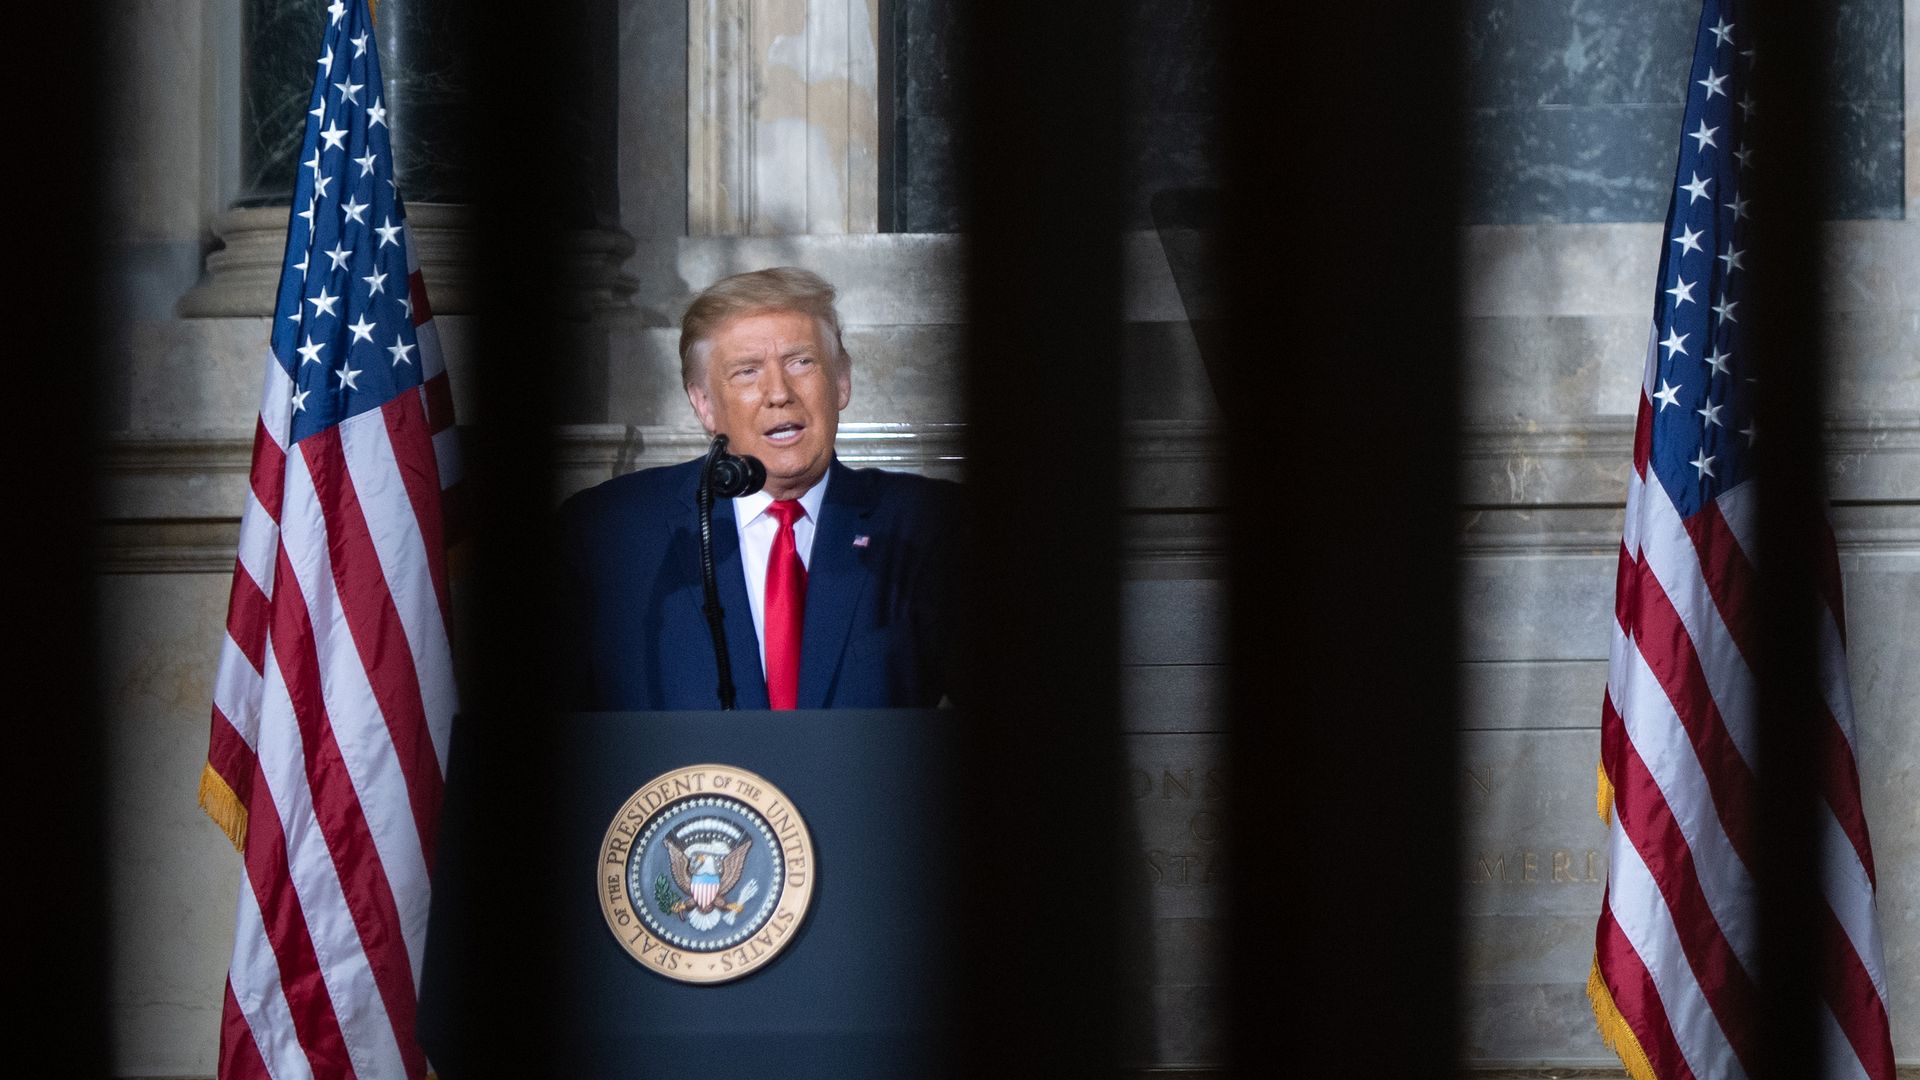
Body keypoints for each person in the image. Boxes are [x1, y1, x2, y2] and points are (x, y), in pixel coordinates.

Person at [554, 267, 961, 710]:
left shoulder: (929, 526)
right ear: (704, 405)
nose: (778, 392)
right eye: (747, 372)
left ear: (841, 380)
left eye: (801, 362)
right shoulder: (609, 532)